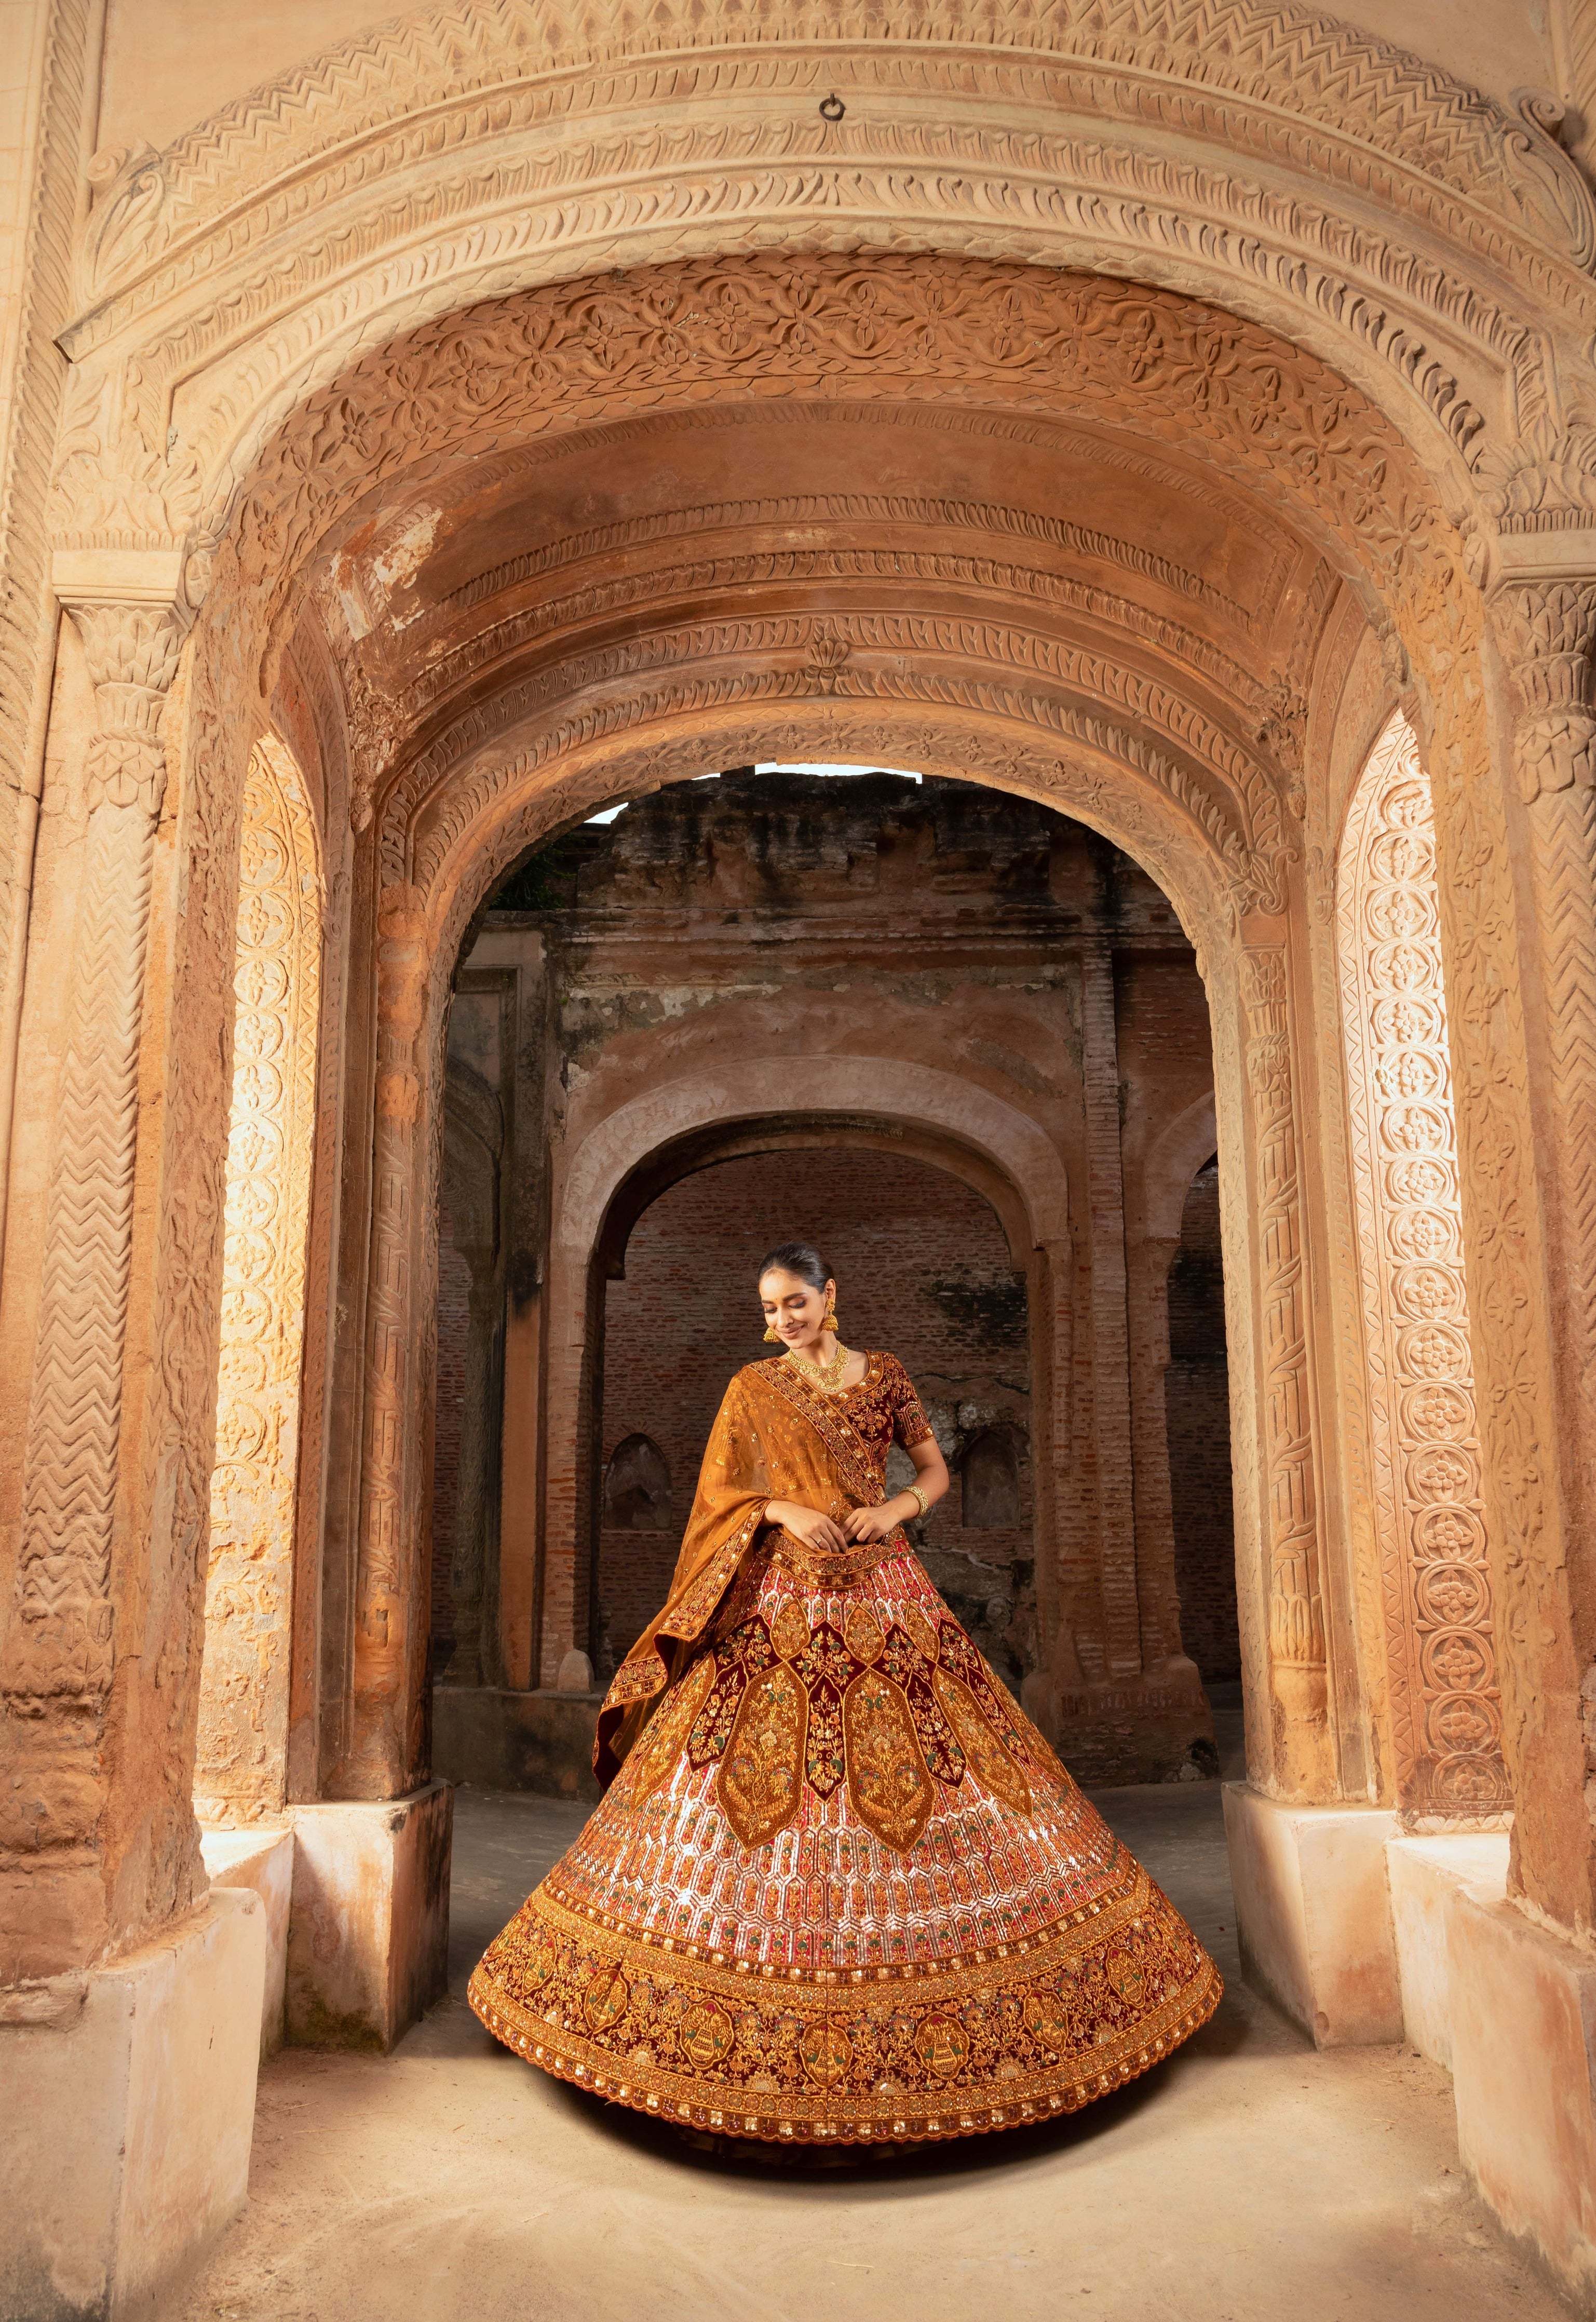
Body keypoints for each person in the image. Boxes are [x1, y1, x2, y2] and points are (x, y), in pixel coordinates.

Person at [469, 1241, 1220, 2146]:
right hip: (779, 1591)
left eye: (795, 1302)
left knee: (957, 1765)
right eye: (770, 1308)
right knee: (751, 1779)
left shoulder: (888, 1376)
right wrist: (778, 1510)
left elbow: (933, 1472)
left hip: (886, 1589)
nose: (782, 1321)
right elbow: (722, 1494)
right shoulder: (754, 1387)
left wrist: (897, 1510)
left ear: (831, 1295)